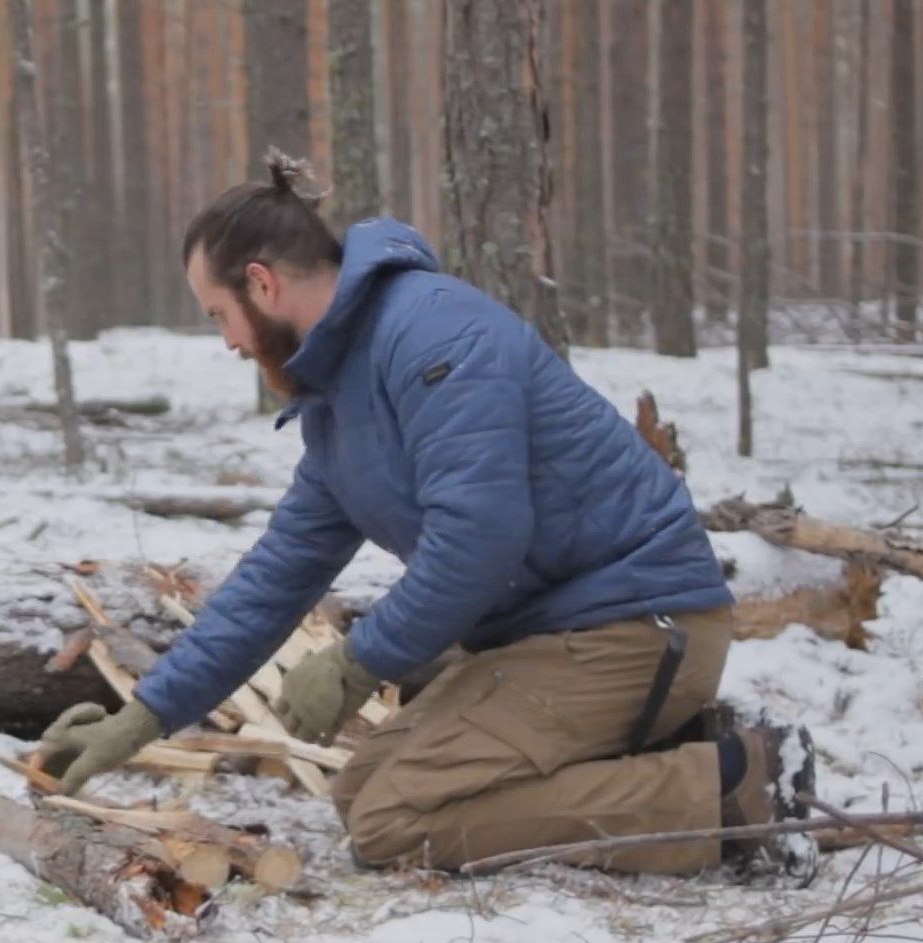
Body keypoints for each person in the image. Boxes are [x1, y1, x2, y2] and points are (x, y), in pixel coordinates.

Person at [40, 152, 815, 876]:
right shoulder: (341, 405)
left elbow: (480, 541)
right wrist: (142, 718)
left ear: (261, 284)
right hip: (558, 640)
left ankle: (731, 789)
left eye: (217, 314)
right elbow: (274, 579)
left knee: (394, 822)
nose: (228, 342)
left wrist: (358, 660)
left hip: (636, 627)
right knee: (360, 792)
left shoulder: (433, 335)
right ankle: (656, 745)